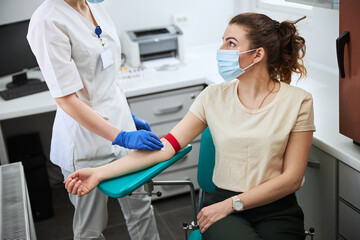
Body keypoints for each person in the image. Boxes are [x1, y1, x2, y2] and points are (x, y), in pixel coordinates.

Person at [64, 12, 315, 240]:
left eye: (231, 43)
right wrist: (100, 172)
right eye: (223, 41)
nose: (221, 49)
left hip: (276, 209)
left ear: (257, 54)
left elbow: (292, 179)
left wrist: (233, 204)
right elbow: (166, 147)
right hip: (224, 207)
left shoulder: (298, 102)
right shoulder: (212, 97)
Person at [27, 0, 164, 239]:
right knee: (91, 227)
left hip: (121, 128)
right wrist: (120, 135)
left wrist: (126, 116)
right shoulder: (47, 20)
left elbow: (106, 74)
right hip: (85, 144)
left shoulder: (96, 8)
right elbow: (66, 99)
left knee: (142, 210)